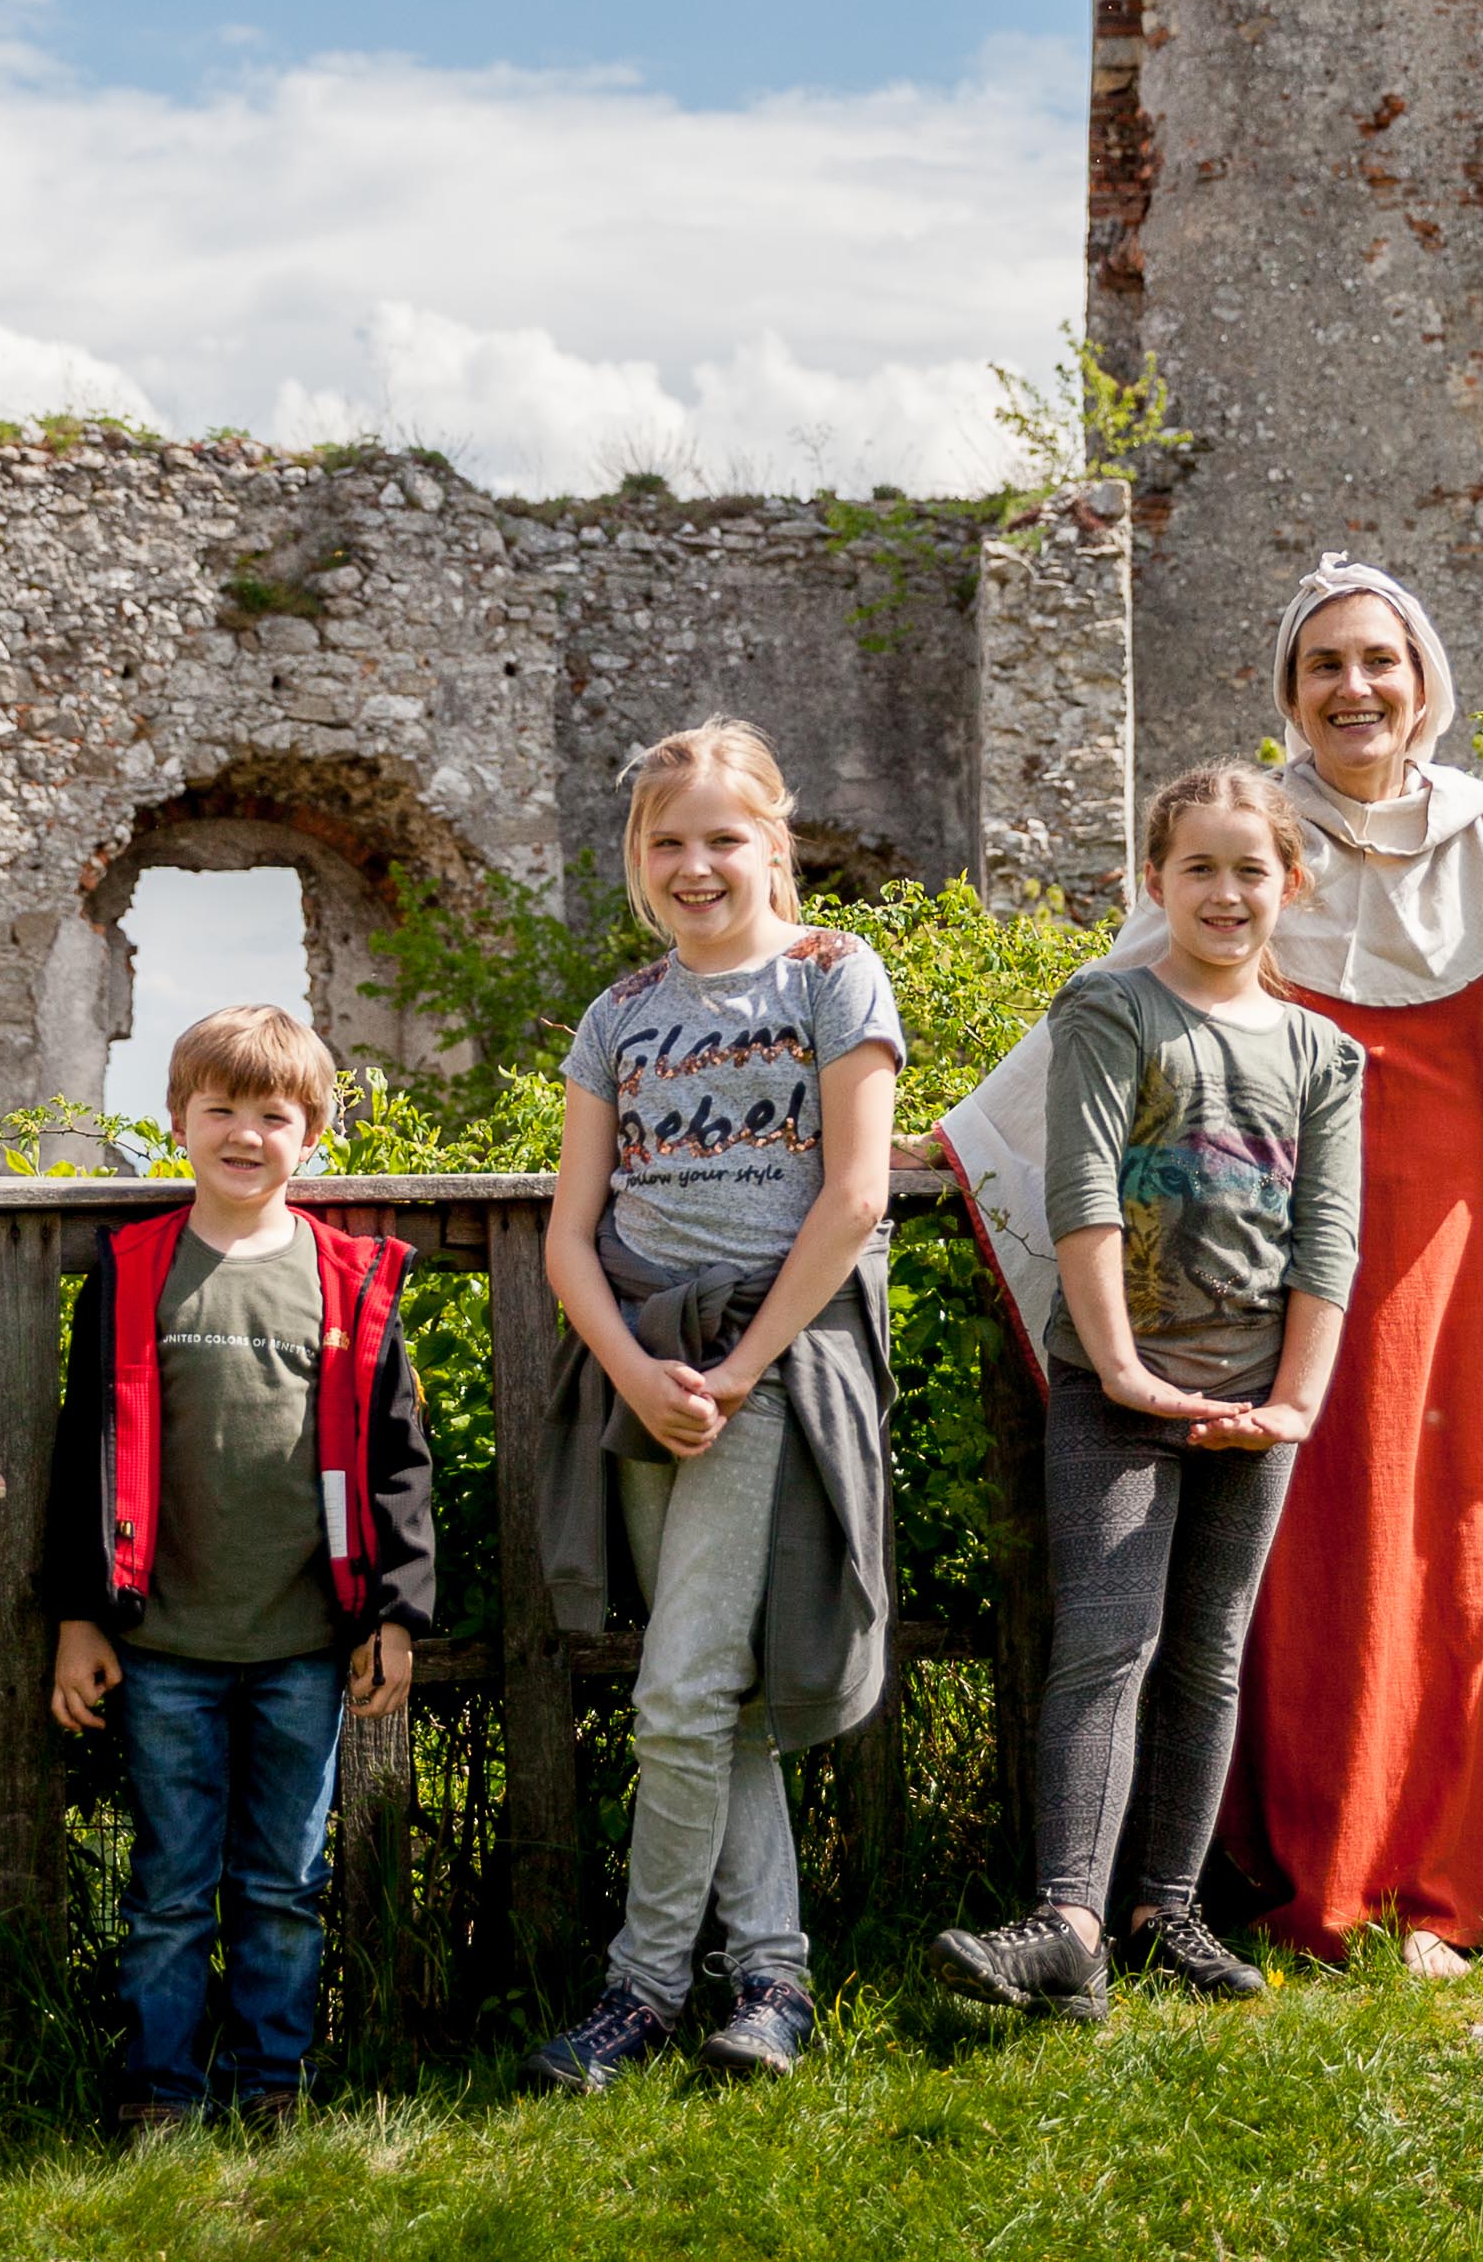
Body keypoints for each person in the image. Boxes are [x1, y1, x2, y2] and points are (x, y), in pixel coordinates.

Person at [938, 764, 1364, 2026]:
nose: (1226, 893)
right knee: (1108, 1641)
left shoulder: (1323, 1052)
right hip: (1119, 1385)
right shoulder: (1111, 1008)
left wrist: (1293, 1403)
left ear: (1288, 885)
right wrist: (1121, 1367)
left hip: (1252, 1402)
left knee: (1208, 1654)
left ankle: (1163, 1907)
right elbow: (1079, 1194)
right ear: (1153, 882)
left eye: (1251, 870)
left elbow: (1326, 1237)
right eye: (1198, 869)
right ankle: (1068, 1920)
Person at [524, 721, 904, 2091]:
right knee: (710, 1695)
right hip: (642, 1361)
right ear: (637, 856)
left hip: (766, 1356)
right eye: (665, 840)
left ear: (772, 843)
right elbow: (570, 1231)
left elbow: (855, 1194)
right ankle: (771, 1977)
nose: (694, 863)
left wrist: (736, 1372)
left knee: (679, 1690)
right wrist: (635, 1369)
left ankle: (637, 1991)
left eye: (721, 836)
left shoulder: (831, 976)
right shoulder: (617, 1011)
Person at [1208, 558, 1483, 1969]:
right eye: (1324, 665)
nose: (1355, 687)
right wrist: (958, 1134)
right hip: (1280, 1237)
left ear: (1424, 683)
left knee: (1441, 1532)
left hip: (1439, 1239)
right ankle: (1293, 1867)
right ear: (1290, 695)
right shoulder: (1245, 836)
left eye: (1379, 660)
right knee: (1296, 1540)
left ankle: (1439, 1872)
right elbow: (1125, 1001)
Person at [46, 1005, 432, 2133]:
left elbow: (398, 1454)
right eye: (221, 1108)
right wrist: (80, 1617)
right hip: (163, 1645)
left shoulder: (345, 1279)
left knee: (282, 1886)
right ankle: (159, 2092)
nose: (245, 1133)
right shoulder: (134, 1273)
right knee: (169, 1889)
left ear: (311, 1134)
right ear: (178, 1121)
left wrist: (394, 1613)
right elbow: (86, 1454)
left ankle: (274, 2087)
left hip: (303, 1647)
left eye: (274, 1113)